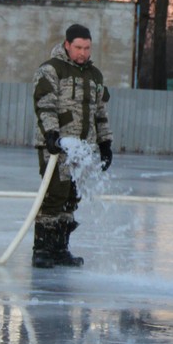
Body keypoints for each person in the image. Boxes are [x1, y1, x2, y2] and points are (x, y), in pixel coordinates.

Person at [32, 24, 114, 268]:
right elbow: (45, 105)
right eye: (78, 47)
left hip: (83, 147)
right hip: (56, 147)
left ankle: (60, 248)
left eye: (87, 48)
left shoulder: (95, 76)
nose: (82, 53)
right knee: (55, 194)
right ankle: (42, 249)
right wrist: (52, 135)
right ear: (67, 45)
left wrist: (105, 143)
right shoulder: (51, 70)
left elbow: (100, 113)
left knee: (71, 198)